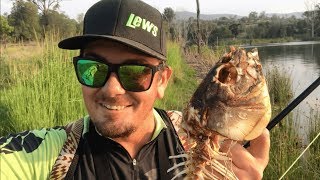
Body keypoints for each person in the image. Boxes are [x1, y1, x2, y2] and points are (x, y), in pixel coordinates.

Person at [0, 0, 270, 179]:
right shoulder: (48, 154)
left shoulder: (197, 143)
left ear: (162, 80)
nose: (112, 89)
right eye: (93, 68)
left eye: (136, 72)